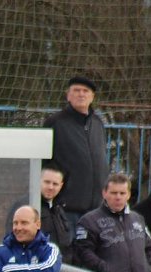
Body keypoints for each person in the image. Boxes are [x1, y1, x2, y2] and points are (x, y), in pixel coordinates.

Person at [42, 76, 109, 226]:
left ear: (92, 97)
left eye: (85, 91)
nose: (81, 94)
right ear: (68, 95)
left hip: (96, 208)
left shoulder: (98, 124)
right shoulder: (55, 123)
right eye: (76, 90)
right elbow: (44, 162)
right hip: (67, 208)